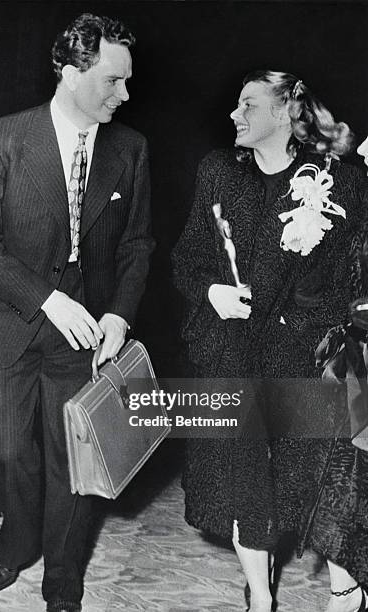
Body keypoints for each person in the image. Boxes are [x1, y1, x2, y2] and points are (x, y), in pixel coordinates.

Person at [0, 13, 153, 612]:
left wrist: (119, 314)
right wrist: (46, 297)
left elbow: (137, 246)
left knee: (73, 459)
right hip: (10, 325)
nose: (124, 93)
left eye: (126, 80)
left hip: (86, 338)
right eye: (111, 81)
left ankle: (63, 570)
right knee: (9, 451)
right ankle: (17, 539)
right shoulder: (3, 138)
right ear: (71, 73)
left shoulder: (131, 149)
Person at [172, 70, 368, 612]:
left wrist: (305, 327)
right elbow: (187, 260)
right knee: (243, 483)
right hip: (233, 353)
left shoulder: (340, 182)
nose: (235, 116)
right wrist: (213, 292)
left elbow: (355, 283)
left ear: (285, 113)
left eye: (248, 105)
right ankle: (260, 597)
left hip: (308, 359)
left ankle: (346, 587)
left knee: (324, 479)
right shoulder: (218, 173)